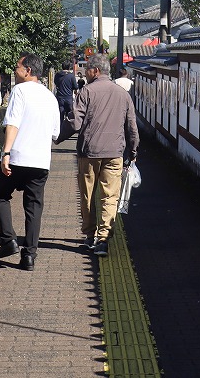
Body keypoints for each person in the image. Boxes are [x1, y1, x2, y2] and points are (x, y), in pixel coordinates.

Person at [0, 52, 60, 271]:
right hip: (41, 162)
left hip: (18, 157)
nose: (15, 70)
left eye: (17, 67)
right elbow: (55, 133)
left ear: (28, 70)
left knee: (1, 196)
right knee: (33, 208)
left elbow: (12, 123)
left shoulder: (19, 90)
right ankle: (29, 256)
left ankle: (8, 240)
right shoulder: (50, 97)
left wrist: (6, 153)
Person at [73, 54, 139, 256]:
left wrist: (57, 137)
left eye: (87, 70)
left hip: (89, 153)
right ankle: (103, 239)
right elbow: (132, 128)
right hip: (114, 154)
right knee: (110, 196)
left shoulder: (86, 92)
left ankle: (89, 235)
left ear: (95, 71)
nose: (85, 73)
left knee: (88, 195)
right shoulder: (123, 94)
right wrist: (133, 151)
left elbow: (75, 122)